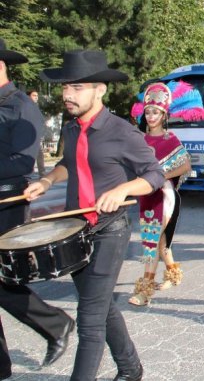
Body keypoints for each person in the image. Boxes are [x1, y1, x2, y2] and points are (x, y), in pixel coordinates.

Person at [25, 49, 164, 381]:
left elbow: (155, 174)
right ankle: (131, 368)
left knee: (89, 317)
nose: (68, 95)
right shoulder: (72, 129)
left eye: (77, 88)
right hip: (75, 230)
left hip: (109, 231)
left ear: (100, 90)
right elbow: (69, 164)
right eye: (64, 88)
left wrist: (123, 190)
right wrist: (46, 180)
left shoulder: (122, 132)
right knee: (101, 307)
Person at [0, 39, 75, 379]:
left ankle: (56, 324)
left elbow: (21, 161)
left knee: (3, 281)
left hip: (8, 202)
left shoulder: (20, 106)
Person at [127, 81, 201, 306]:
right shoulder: (139, 140)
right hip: (146, 195)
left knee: (151, 240)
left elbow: (185, 165)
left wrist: (162, 175)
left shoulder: (171, 140)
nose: (150, 116)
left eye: (155, 112)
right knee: (159, 242)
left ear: (164, 114)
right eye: (148, 112)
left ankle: (144, 290)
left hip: (165, 196)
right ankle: (173, 272)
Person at [28, 89, 47, 177]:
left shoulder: (36, 107)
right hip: (28, 136)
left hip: (36, 136)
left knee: (40, 155)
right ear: (29, 96)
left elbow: (40, 120)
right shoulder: (26, 106)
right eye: (34, 95)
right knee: (29, 156)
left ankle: (42, 174)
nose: (36, 97)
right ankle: (28, 175)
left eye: (37, 96)